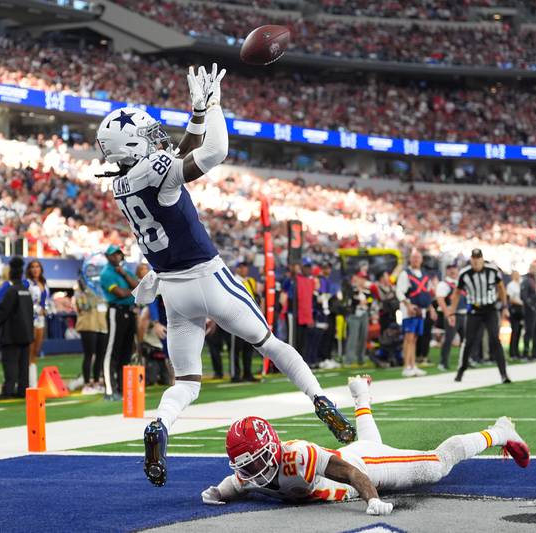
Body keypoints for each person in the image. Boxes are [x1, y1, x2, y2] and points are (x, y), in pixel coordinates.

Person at [95, 63, 355, 486]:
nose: (156, 140)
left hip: (173, 293)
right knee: (272, 345)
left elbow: (173, 158)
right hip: (209, 278)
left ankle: (160, 425)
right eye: (146, 137)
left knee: (188, 382)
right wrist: (213, 107)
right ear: (132, 147)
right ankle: (321, 400)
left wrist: (195, 116)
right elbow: (213, 152)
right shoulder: (152, 171)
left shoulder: (122, 184)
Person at [201, 376, 529, 512]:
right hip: (356, 455)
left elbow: (350, 472)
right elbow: (230, 485)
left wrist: (372, 499)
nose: (252, 470)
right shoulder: (247, 473)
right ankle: (361, 395)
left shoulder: (297, 457)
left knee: (436, 465)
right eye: (246, 463)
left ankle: (500, 432)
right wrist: (215, 492)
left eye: (256, 461)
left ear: (273, 449)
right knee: (370, 443)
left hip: (363, 468)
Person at [448, 249, 511, 384]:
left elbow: (501, 287)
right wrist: (451, 312)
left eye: (478, 258)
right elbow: (457, 292)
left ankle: (504, 374)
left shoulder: (492, 270)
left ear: (482, 259)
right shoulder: (464, 273)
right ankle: (461, 370)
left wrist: (504, 306)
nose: (476, 261)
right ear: (471, 259)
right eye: (474, 258)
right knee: (469, 341)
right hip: (474, 311)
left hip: (490, 309)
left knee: (495, 339)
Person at [99, 244, 138, 401]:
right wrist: (133, 290)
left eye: (118, 254)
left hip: (129, 311)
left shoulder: (124, 271)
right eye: (113, 255)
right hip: (117, 311)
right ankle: (109, 390)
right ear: (108, 257)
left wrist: (125, 275)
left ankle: (123, 389)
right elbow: (120, 293)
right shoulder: (106, 273)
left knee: (126, 352)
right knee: (112, 350)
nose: (116, 257)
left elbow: (138, 286)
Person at [0, 257, 34, 399]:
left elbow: (3, 312)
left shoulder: (11, 291)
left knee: (10, 364)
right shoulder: (26, 291)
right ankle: (23, 390)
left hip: (11, 335)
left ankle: (8, 391)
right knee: (23, 365)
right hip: (26, 334)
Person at [396, 249, 436, 378]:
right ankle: (406, 366)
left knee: (415, 338)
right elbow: (399, 292)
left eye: (418, 257)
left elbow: (428, 293)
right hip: (410, 309)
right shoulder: (405, 274)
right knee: (409, 337)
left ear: (421, 260)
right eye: (414, 258)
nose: (416, 260)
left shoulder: (424, 275)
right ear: (410, 260)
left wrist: (432, 308)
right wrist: (408, 305)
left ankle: (413, 365)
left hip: (422, 310)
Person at [75, 274, 108, 394]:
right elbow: (83, 306)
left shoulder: (103, 287)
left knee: (101, 355)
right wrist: (87, 292)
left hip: (102, 325)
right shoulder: (81, 288)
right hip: (88, 325)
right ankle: (87, 383)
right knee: (89, 354)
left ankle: (97, 382)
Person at [232, 261, 261, 381]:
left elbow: (256, 297)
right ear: (238, 269)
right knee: (236, 348)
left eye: (246, 267)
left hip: (249, 318)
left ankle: (247, 372)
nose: (245, 269)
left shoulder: (251, 281)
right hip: (236, 318)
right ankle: (236, 374)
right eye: (242, 267)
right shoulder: (232, 280)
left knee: (248, 347)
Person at [434, 262, 464, 371]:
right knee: (449, 339)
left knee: (465, 340)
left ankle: (464, 361)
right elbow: (440, 300)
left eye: (454, 268)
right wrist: (449, 314)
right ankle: (443, 362)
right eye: (450, 268)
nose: (452, 271)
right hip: (452, 315)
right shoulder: (444, 284)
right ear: (446, 271)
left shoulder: (461, 283)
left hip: (463, 314)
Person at [26, 260, 51, 388]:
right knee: (29, 351)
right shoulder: (27, 284)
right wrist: (36, 309)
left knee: (36, 350)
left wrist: (47, 309)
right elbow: (25, 301)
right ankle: (31, 384)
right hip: (31, 319)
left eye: (37, 267)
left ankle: (33, 381)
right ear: (29, 270)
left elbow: (47, 300)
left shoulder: (44, 283)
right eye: (32, 267)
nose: (35, 269)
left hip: (41, 319)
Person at [521, 261, 536, 360]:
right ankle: (526, 353)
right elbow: (523, 295)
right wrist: (531, 307)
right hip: (531, 310)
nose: (535, 270)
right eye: (533, 268)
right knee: (529, 331)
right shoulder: (526, 280)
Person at [506, 270, 523, 359]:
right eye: (515, 275)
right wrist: (520, 303)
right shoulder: (510, 285)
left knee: (519, 331)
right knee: (515, 331)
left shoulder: (520, 284)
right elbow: (510, 299)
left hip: (521, 309)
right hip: (514, 309)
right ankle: (512, 352)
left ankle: (516, 351)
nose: (517, 276)